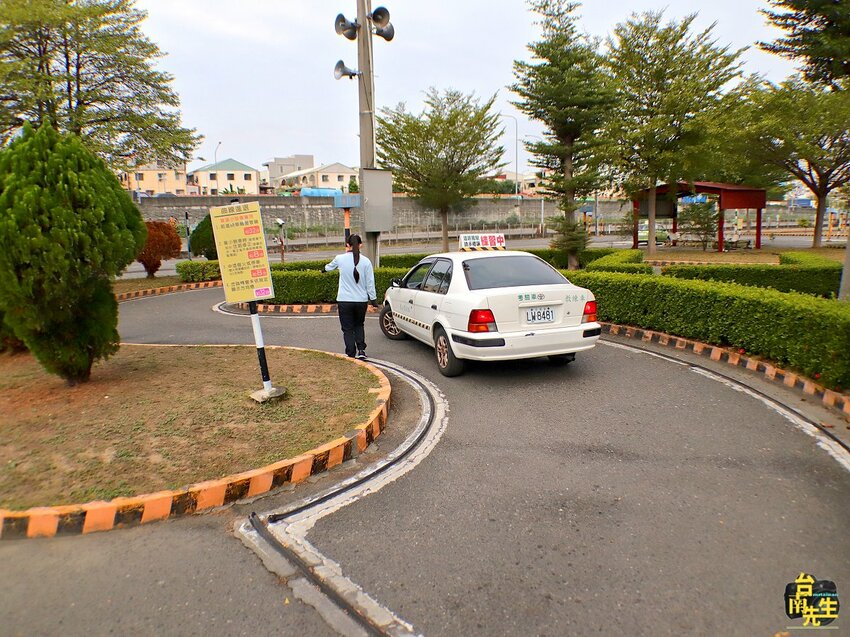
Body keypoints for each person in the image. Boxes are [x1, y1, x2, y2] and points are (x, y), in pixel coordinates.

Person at [323, 234, 378, 359]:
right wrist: (373, 300)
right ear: (360, 245)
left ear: (347, 245)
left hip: (344, 301)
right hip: (361, 301)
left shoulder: (339, 259)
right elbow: (370, 283)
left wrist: (323, 270)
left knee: (347, 328)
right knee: (359, 325)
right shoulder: (366, 262)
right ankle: (361, 350)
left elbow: (328, 267)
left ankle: (351, 353)